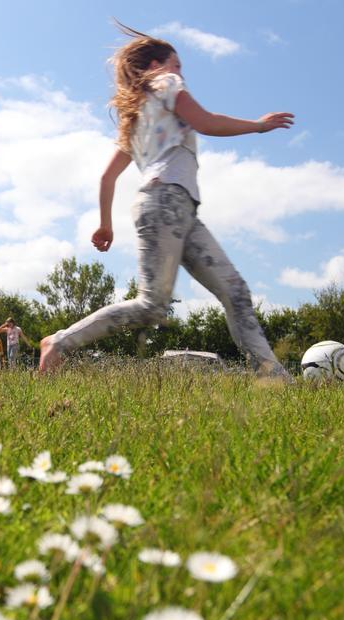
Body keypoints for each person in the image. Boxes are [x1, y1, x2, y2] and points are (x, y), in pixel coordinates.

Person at [39, 24, 292, 379]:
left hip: (179, 209)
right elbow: (205, 122)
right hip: (165, 203)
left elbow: (107, 177)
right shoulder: (166, 83)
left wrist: (105, 223)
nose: (180, 73)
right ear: (157, 64)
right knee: (152, 305)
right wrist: (258, 125)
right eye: (177, 65)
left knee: (235, 290)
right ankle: (59, 342)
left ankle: (272, 376)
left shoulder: (137, 116)